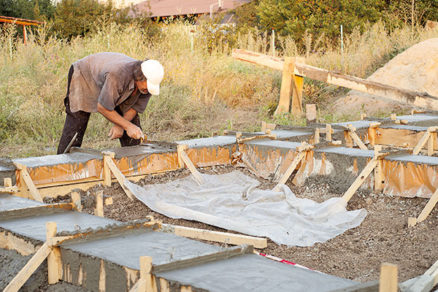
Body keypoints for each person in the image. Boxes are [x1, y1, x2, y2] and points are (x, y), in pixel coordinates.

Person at [57, 52, 164, 154]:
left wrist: (122, 126)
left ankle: (134, 168)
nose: (148, 90)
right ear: (140, 77)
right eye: (147, 86)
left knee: (132, 129)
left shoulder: (147, 87)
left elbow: (134, 108)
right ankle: (62, 167)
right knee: (77, 124)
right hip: (84, 75)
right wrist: (127, 126)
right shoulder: (118, 74)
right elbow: (102, 107)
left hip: (111, 81)